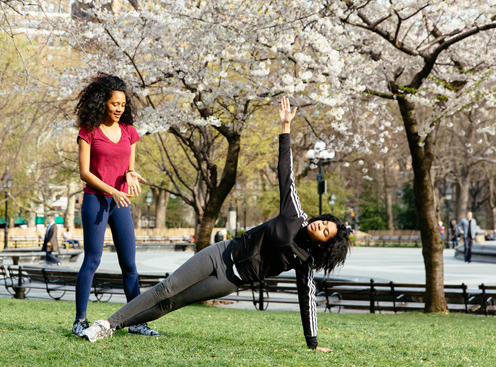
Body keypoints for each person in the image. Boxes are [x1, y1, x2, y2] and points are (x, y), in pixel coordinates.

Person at [80, 97, 351, 351]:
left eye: (326, 232)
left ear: (323, 244)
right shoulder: (294, 214)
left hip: (230, 280)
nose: (321, 226)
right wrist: (285, 128)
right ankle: (106, 324)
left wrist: (312, 343)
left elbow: (308, 300)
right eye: (324, 222)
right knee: (167, 287)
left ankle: (122, 324)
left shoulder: (305, 261)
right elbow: (286, 173)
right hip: (221, 252)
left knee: (172, 303)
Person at [71, 73, 155, 338]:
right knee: (92, 260)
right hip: (96, 200)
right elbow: (85, 172)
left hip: (120, 202)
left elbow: (129, 167)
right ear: (102, 103)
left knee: (129, 264)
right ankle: (79, 321)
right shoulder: (89, 131)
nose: (119, 109)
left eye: (122, 104)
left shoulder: (130, 132)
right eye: (114, 104)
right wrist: (110, 190)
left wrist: (130, 175)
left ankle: (136, 321)